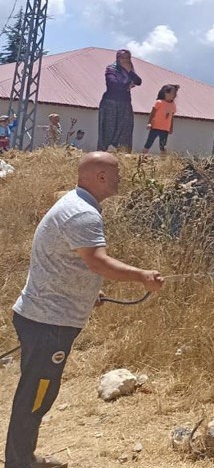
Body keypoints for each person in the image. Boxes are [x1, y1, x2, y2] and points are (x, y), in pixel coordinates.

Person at [5, 152, 164, 468]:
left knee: (37, 392)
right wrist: (141, 276)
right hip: (48, 321)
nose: (122, 177)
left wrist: (88, 291)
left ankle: (22, 457)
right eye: (116, 171)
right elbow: (97, 261)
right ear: (101, 176)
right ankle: (19, 462)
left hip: (43, 316)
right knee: (37, 395)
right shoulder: (83, 214)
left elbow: (68, 259)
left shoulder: (76, 205)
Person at [96, 49, 141, 152]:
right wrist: (127, 85)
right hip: (110, 103)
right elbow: (113, 84)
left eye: (128, 58)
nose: (125, 60)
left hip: (125, 103)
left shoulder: (130, 71)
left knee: (124, 130)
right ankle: (103, 154)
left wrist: (130, 72)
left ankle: (122, 153)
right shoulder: (111, 69)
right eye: (123, 58)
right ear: (118, 58)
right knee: (109, 129)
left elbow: (138, 81)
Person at [142, 85, 178, 155]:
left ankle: (163, 161)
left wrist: (171, 128)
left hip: (165, 128)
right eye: (172, 93)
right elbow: (152, 113)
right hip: (155, 126)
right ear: (166, 93)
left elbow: (172, 117)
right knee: (149, 142)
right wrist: (149, 123)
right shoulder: (159, 102)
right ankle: (142, 156)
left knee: (163, 146)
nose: (174, 95)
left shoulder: (173, 105)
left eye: (175, 94)